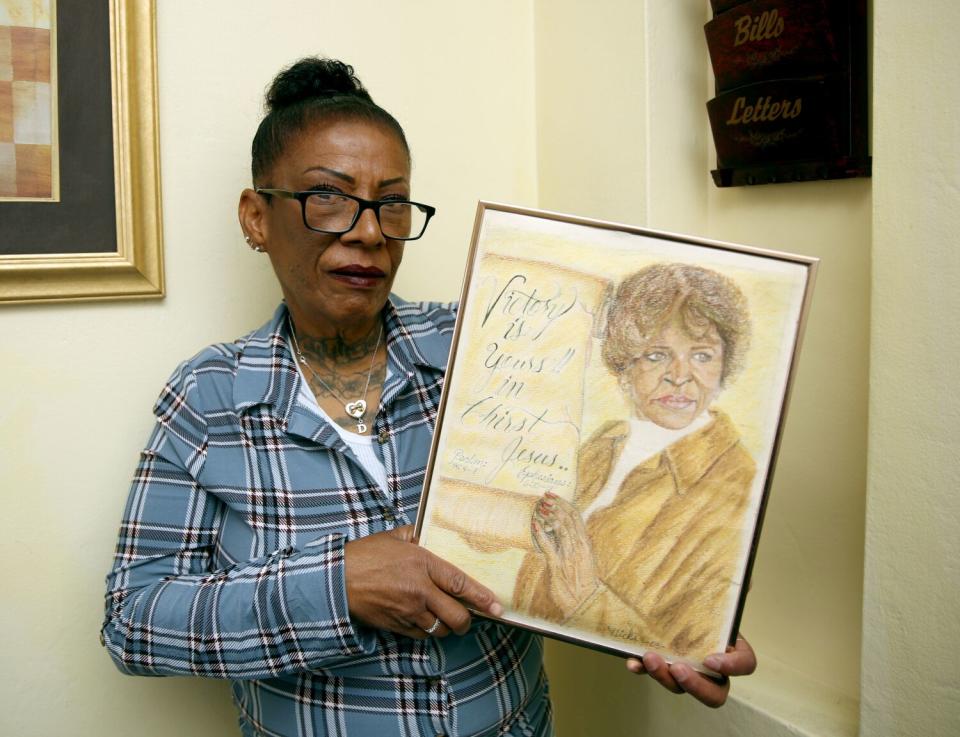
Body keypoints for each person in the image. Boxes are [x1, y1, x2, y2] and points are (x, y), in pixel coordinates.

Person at [101, 59, 754, 737]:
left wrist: (693, 618)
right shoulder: (209, 398)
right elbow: (133, 619)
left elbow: (623, 503)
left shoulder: (487, 344)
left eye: (391, 202)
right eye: (329, 196)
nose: (369, 231)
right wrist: (338, 587)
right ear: (256, 217)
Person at [514, 263, 757, 666]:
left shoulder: (737, 482)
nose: (680, 376)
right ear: (624, 366)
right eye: (657, 355)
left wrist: (586, 594)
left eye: (702, 355)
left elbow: (689, 651)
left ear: (724, 365)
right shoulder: (601, 444)